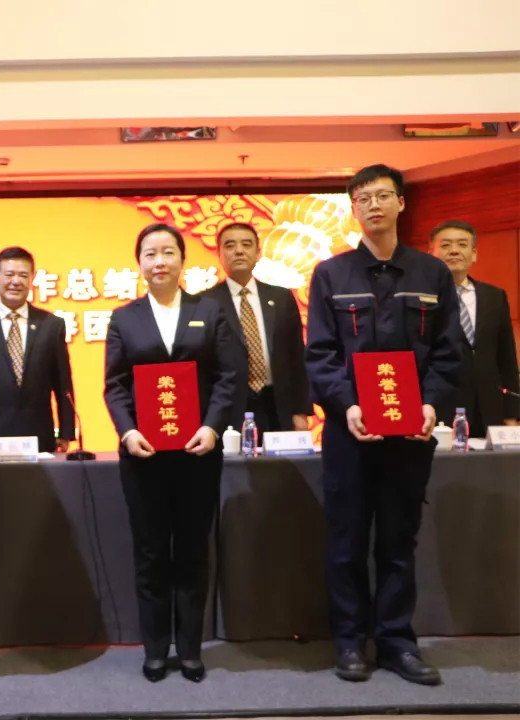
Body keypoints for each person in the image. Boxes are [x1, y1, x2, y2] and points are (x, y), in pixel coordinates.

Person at [305, 164, 462, 686]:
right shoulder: (331, 275)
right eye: (363, 198)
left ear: (401, 203)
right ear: (353, 209)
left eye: (382, 196)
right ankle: (350, 641)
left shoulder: (431, 274)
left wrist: (432, 404)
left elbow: (448, 353)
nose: (373, 205)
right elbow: (320, 354)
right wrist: (346, 404)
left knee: (398, 541)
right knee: (346, 542)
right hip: (349, 433)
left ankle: (396, 641)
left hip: (410, 435)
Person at [104, 223, 242, 683]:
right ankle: (155, 648)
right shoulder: (124, 318)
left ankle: (190, 649)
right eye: (150, 253)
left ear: (183, 259)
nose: (159, 261)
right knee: (150, 553)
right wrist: (127, 432)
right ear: (139, 263)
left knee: (192, 552)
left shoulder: (210, 311)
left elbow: (227, 376)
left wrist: (211, 426)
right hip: (143, 457)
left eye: (168, 252)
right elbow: (115, 385)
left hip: (196, 453)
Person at [203, 222, 312, 432]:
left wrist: (300, 411)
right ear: (219, 254)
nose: (239, 251)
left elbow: (297, 357)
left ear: (258, 252)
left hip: (277, 405)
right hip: (228, 407)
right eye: (230, 245)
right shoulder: (205, 303)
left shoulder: (281, 298)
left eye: (246, 244)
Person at [429, 219, 519, 436]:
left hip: (490, 410)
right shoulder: (422, 298)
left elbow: (506, 359)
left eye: (462, 244)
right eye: (445, 245)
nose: (454, 251)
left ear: (474, 253)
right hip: (441, 411)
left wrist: (513, 413)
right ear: (430, 253)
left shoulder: (494, 296)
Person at [0, 246, 76, 452]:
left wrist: (66, 431)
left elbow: (63, 382)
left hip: (38, 435)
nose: (16, 281)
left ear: (32, 279)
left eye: (23, 275)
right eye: (9, 274)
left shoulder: (51, 324)